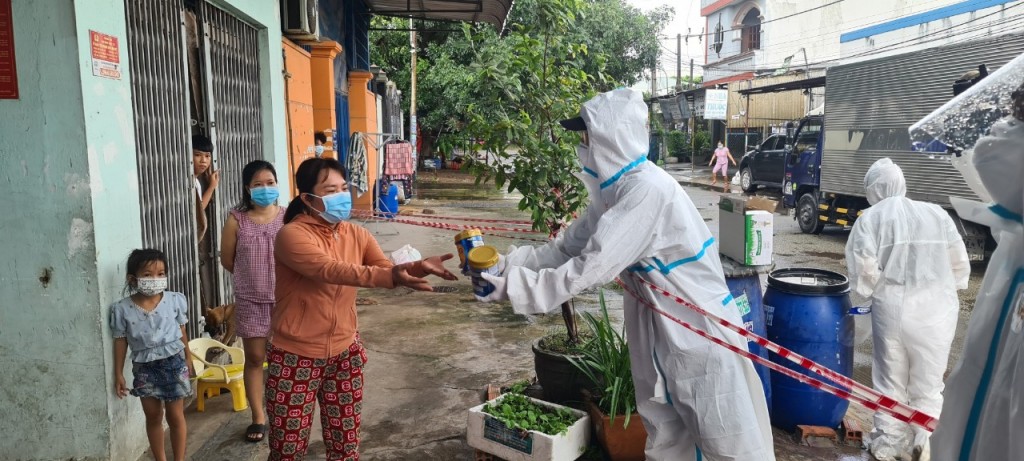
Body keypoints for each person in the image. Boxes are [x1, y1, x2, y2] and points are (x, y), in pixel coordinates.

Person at [476, 88, 775, 461]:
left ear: (610, 137)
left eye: (587, 135)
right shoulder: (613, 195)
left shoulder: (646, 191)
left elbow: (590, 268)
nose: (582, 145)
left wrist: (513, 288)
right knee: (667, 438)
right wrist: (507, 265)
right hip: (660, 328)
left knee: (727, 443)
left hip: (701, 334)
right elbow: (566, 249)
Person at [265, 157, 458, 460]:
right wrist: (391, 276)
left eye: (344, 187)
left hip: (345, 353)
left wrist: (412, 269)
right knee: (287, 451)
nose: (342, 195)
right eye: (331, 190)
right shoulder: (291, 235)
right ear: (307, 198)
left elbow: (383, 267)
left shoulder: (357, 234)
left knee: (346, 447)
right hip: (295, 357)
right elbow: (330, 270)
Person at [845, 158, 970, 461]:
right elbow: (959, 267)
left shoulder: (871, 219)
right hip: (937, 310)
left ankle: (889, 446)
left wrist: (858, 303)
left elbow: (864, 275)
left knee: (891, 382)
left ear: (873, 189)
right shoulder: (936, 214)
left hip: (894, 308)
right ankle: (926, 444)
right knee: (928, 385)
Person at [930, 81, 1024, 461]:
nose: (1004, 127)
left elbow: (992, 155)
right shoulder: (1012, 248)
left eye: (1016, 120)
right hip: (934, 310)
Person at [219, 160, 285, 443]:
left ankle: (284, 412)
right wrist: (252, 277)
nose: (265, 188)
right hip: (250, 300)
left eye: (270, 182)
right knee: (256, 358)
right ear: (247, 188)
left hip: (285, 298)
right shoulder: (236, 218)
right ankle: (258, 417)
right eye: (258, 184)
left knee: (284, 358)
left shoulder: (288, 216)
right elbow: (226, 259)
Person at [110, 249, 195, 461]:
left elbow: (181, 330)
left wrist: (188, 356)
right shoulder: (122, 309)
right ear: (133, 279)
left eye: (161, 273)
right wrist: (118, 373)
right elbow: (120, 341)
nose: (155, 279)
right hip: (144, 367)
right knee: (154, 416)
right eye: (147, 275)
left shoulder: (175, 300)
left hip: (174, 363)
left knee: (176, 416)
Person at [192, 134, 220, 236]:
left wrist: (212, 186)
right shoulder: (188, 181)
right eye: (197, 155)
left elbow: (198, 208)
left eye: (207, 156)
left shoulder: (196, 182)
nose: (203, 160)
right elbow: (197, 211)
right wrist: (212, 187)